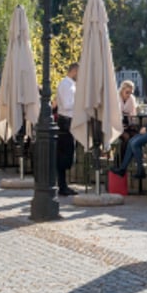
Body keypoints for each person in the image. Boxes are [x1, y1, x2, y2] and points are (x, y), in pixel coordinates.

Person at [54, 62, 79, 196]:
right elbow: (67, 104)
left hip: (69, 120)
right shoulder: (65, 85)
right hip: (65, 121)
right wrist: (80, 100)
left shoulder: (71, 85)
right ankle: (62, 186)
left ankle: (63, 185)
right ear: (74, 71)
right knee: (64, 155)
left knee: (68, 154)